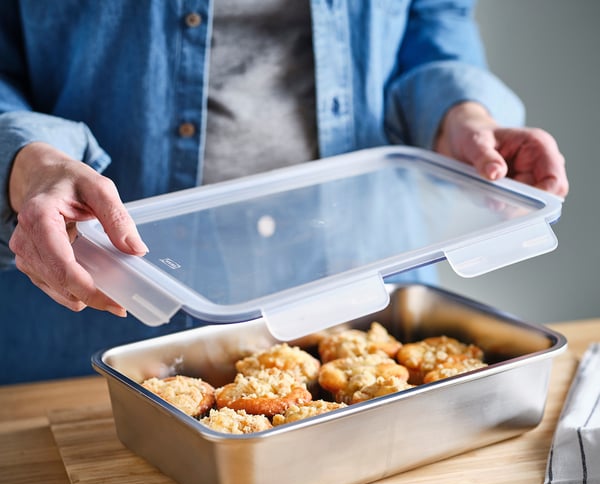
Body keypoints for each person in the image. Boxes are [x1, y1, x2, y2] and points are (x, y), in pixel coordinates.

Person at [0, 1, 568, 384]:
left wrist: (459, 114)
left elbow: (434, 18)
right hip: (100, 293)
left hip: (365, 279)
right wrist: (29, 162)